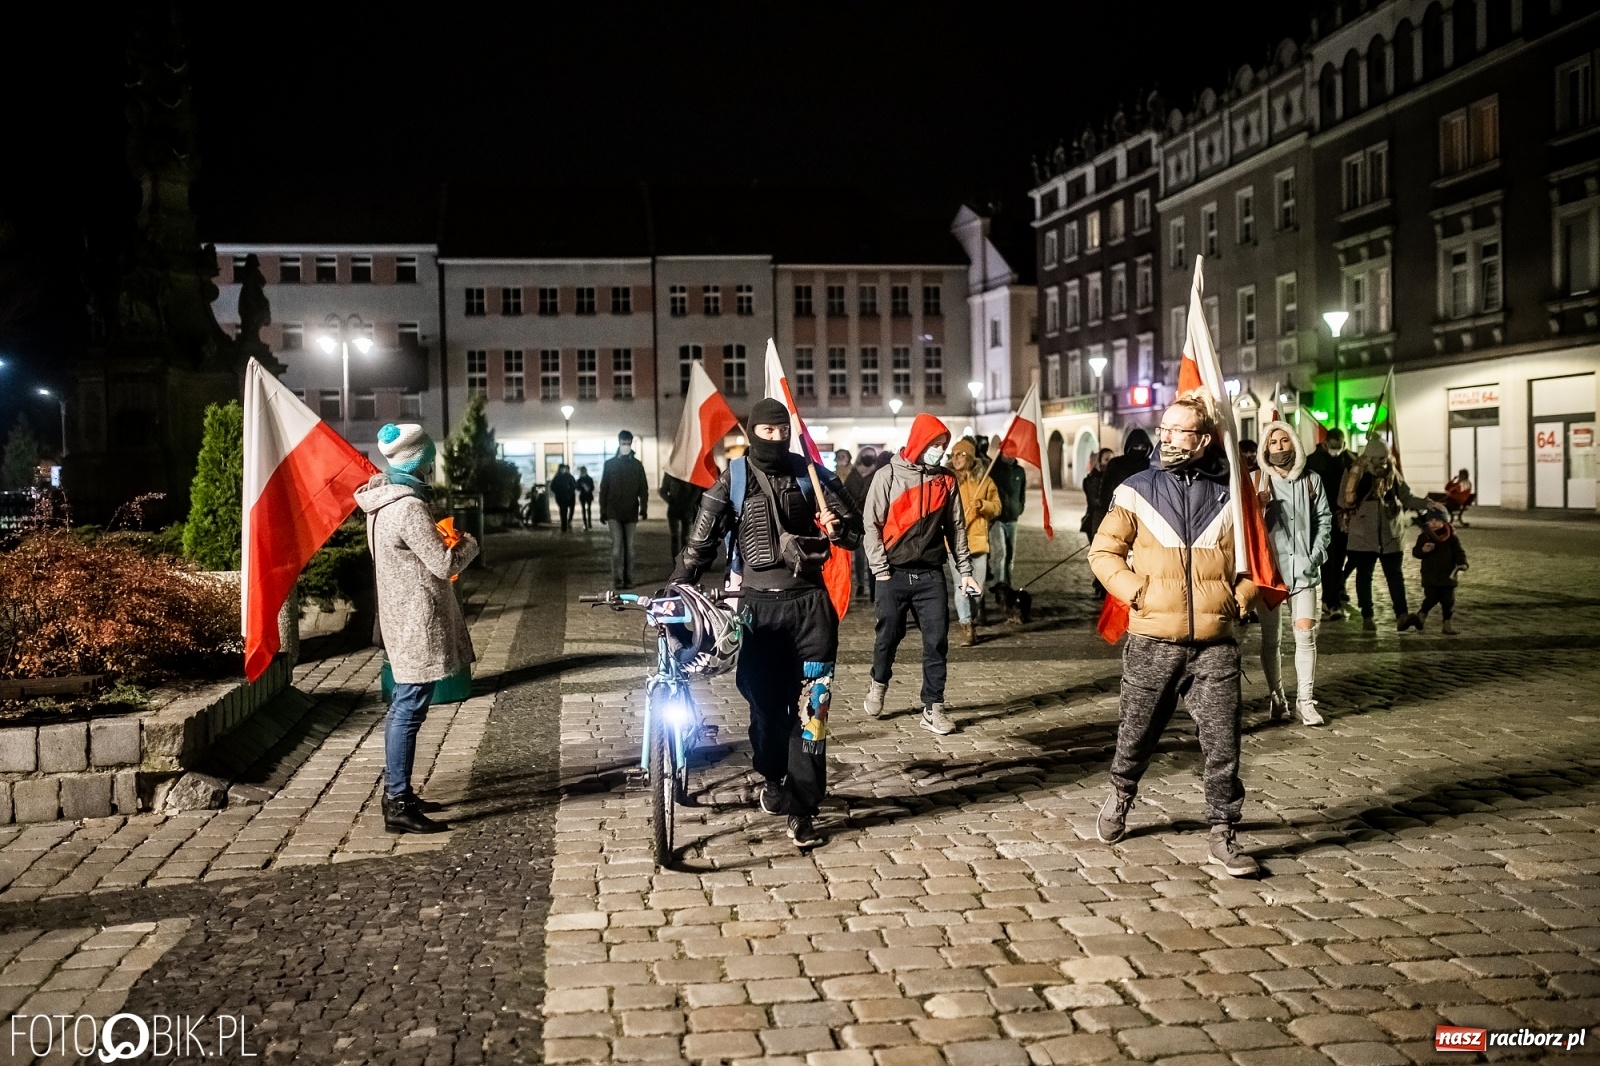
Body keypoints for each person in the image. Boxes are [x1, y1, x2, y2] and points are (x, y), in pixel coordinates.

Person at [670, 398, 862, 848]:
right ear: (753, 432)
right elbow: (700, 545)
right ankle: (772, 776)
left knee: (812, 714)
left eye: (781, 432)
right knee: (766, 712)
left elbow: (855, 531)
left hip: (811, 611)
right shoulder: (733, 479)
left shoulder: (813, 474)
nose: (774, 440)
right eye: (766, 433)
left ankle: (803, 806)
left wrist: (837, 530)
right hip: (758, 612)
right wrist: (677, 587)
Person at [1088, 396, 1260, 877]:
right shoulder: (1135, 490)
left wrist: (1238, 597)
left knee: (1224, 742)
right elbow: (1104, 553)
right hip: (1152, 640)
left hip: (1214, 642)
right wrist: (1137, 592)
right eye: (1164, 429)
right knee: (1136, 733)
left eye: (1179, 431)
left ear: (1204, 439)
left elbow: (1261, 559)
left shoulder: (1234, 496)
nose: (1166, 437)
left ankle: (1223, 832)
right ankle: (1122, 794)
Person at [355, 424, 479, 835]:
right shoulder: (407, 507)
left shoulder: (379, 504)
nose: (432, 470)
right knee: (407, 708)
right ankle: (398, 801)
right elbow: (444, 565)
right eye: (429, 462)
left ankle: (399, 793)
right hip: (415, 619)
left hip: (399, 614)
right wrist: (467, 545)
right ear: (419, 463)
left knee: (407, 705)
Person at [861, 414, 980, 736]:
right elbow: (870, 525)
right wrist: (880, 570)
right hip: (893, 574)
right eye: (934, 445)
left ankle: (933, 706)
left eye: (943, 446)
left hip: (930, 575)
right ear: (919, 443)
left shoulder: (946, 481)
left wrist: (965, 571)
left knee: (936, 642)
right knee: (888, 637)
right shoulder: (887, 476)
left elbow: (955, 528)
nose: (939, 452)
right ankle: (879, 682)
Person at [1255, 421, 1332, 727]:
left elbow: (1325, 519)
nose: (1279, 447)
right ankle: (1277, 699)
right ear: (1265, 448)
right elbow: (1244, 528)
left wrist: (1314, 557)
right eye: (1273, 442)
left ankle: (1306, 701)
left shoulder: (1311, 479)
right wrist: (1258, 509)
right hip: (1270, 573)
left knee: (1305, 635)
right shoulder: (1258, 481)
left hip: (1304, 570)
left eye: (1284, 440)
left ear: (1294, 444)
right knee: (1271, 640)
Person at [1340, 437, 1434, 632]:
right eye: (1379, 458)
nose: (1383, 462)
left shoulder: (1392, 471)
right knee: (1364, 576)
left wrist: (1426, 504)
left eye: (1385, 457)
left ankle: (1402, 615)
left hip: (1391, 534)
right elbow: (1343, 500)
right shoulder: (1354, 472)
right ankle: (1368, 616)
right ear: (1369, 458)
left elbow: (1406, 496)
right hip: (1363, 535)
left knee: (1395, 576)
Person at [948, 438, 1002, 646]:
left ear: (970, 457)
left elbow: (997, 507)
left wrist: (983, 505)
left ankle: (973, 610)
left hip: (978, 543)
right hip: (954, 542)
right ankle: (967, 626)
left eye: (961, 454)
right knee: (960, 585)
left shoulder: (985, 480)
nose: (956, 458)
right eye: (953, 455)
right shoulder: (948, 480)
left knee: (976, 588)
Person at [1304, 430, 1355, 619]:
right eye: (1333, 446)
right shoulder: (1313, 461)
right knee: (1328, 561)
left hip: (1344, 518)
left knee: (1340, 559)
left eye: (1339, 446)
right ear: (1325, 443)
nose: (1336, 450)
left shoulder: (1349, 460)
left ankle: (1333, 594)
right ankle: (1331, 602)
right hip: (1322, 517)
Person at [599, 430, 650, 589]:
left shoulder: (637, 465)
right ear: (619, 443)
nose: (626, 446)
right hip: (613, 511)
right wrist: (603, 510)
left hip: (631, 512)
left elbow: (643, 488)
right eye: (623, 443)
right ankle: (617, 579)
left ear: (631, 443)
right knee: (616, 548)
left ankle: (628, 579)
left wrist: (644, 507)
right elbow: (604, 488)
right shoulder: (610, 464)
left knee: (629, 549)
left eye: (628, 443)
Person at [1414, 512, 1468, 634]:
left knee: (1448, 601)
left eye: (1437, 520)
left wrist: (1462, 563)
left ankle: (1447, 624)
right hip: (1430, 575)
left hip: (1448, 575)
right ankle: (1422, 614)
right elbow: (1416, 552)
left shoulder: (1452, 538)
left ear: (1444, 522)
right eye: (1431, 520)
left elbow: (1459, 552)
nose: (1434, 523)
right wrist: (1423, 550)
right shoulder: (1424, 537)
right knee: (1431, 598)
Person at [987, 436, 1029, 590]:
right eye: (1007, 454)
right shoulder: (994, 471)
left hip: (1013, 518)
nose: (1010, 457)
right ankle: (999, 584)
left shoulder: (1020, 471)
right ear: (1001, 453)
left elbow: (1022, 492)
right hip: (998, 519)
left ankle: (1008, 583)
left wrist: (1020, 507)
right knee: (1001, 552)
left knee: (1010, 554)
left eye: (1013, 454)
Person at [838, 448, 870, 598]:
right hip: (856, 518)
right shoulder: (852, 474)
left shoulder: (875, 473)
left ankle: (873, 584)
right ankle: (861, 584)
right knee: (859, 554)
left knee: (871, 553)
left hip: (871, 517)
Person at [660, 472, 703, 558]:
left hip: (683, 509)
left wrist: (690, 502)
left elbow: (697, 490)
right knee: (678, 537)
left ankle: (681, 560)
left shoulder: (672, 473)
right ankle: (679, 560)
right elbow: (663, 491)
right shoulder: (687, 472)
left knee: (683, 538)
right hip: (679, 509)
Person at [550, 464, 577, 533]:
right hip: (562, 497)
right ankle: (564, 525)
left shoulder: (567, 477)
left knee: (564, 511)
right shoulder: (559, 477)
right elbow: (552, 487)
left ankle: (565, 524)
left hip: (566, 496)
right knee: (563, 511)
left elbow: (574, 486)